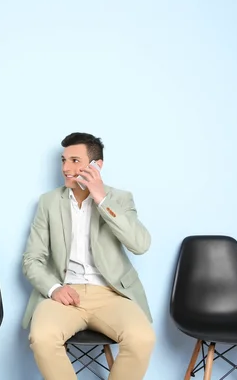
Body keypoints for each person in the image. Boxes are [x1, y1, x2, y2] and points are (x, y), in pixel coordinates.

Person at [21, 132, 155, 380]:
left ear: (97, 165)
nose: (65, 168)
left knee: (142, 338)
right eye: (63, 161)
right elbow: (32, 259)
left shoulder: (120, 199)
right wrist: (53, 289)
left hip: (111, 294)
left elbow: (140, 244)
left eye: (74, 160)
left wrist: (101, 198)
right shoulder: (49, 202)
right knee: (42, 338)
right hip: (65, 294)